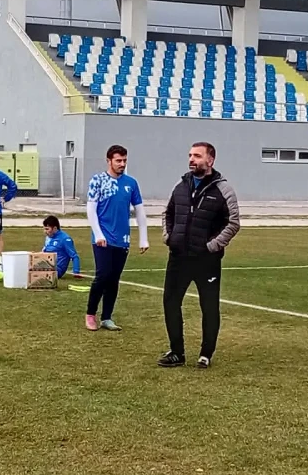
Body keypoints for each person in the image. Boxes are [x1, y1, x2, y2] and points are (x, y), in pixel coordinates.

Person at [158, 142, 241, 369]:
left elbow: (233, 223)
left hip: (206, 260)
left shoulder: (223, 189)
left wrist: (212, 246)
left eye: (197, 155)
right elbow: (168, 213)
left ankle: (206, 354)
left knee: (209, 306)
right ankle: (177, 352)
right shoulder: (181, 185)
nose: (191, 159)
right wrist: (169, 237)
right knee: (171, 302)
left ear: (210, 160)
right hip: (179, 257)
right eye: (190, 155)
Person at [85, 144, 148, 331]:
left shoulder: (131, 183)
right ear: (109, 161)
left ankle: (107, 317)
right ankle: (90, 314)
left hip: (122, 239)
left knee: (114, 279)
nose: (122, 164)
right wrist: (98, 233)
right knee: (102, 276)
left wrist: (143, 238)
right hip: (103, 238)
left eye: (124, 160)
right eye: (118, 160)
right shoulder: (98, 180)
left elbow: (140, 211)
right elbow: (91, 209)